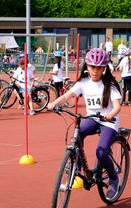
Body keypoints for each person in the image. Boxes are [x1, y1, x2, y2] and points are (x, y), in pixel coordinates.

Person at [47, 48, 122, 200]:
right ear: (87, 66)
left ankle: (114, 179)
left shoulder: (110, 85)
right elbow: (68, 95)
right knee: (77, 134)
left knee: (101, 152)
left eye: (99, 67)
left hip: (108, 122)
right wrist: (54, 103)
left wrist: (110, 115)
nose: (95, 70)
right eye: (92, 67)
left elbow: (117, 106)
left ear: (104, 68)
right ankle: (79, 167)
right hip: (92, 118)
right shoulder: (83, 82)